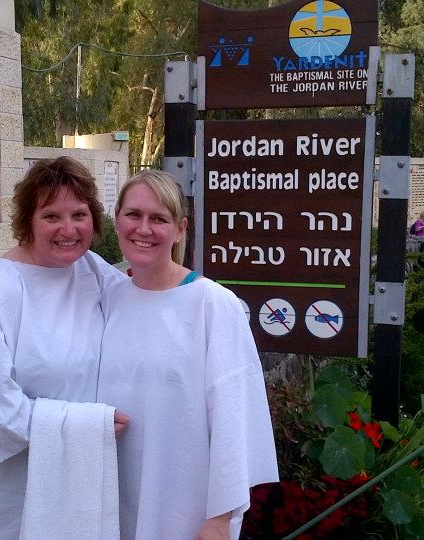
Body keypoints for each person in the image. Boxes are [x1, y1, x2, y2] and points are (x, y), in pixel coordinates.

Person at [0, 156, 127, 540]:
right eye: (51, 216)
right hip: (19, 485)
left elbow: (141, 313)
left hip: (85, 471)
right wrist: (88, 427)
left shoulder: (91, 270)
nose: (68, 229)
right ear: (27, 221)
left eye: (79, 214)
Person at [97, 170, 279, 540]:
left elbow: (234, 416)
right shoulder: (108, 298)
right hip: (113, 496)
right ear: (116, 219)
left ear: (180, 229)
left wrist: (220, 518)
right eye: (133, 214)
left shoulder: (212, 304)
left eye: (158, 219)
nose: (143, 228)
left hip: (185, 502)